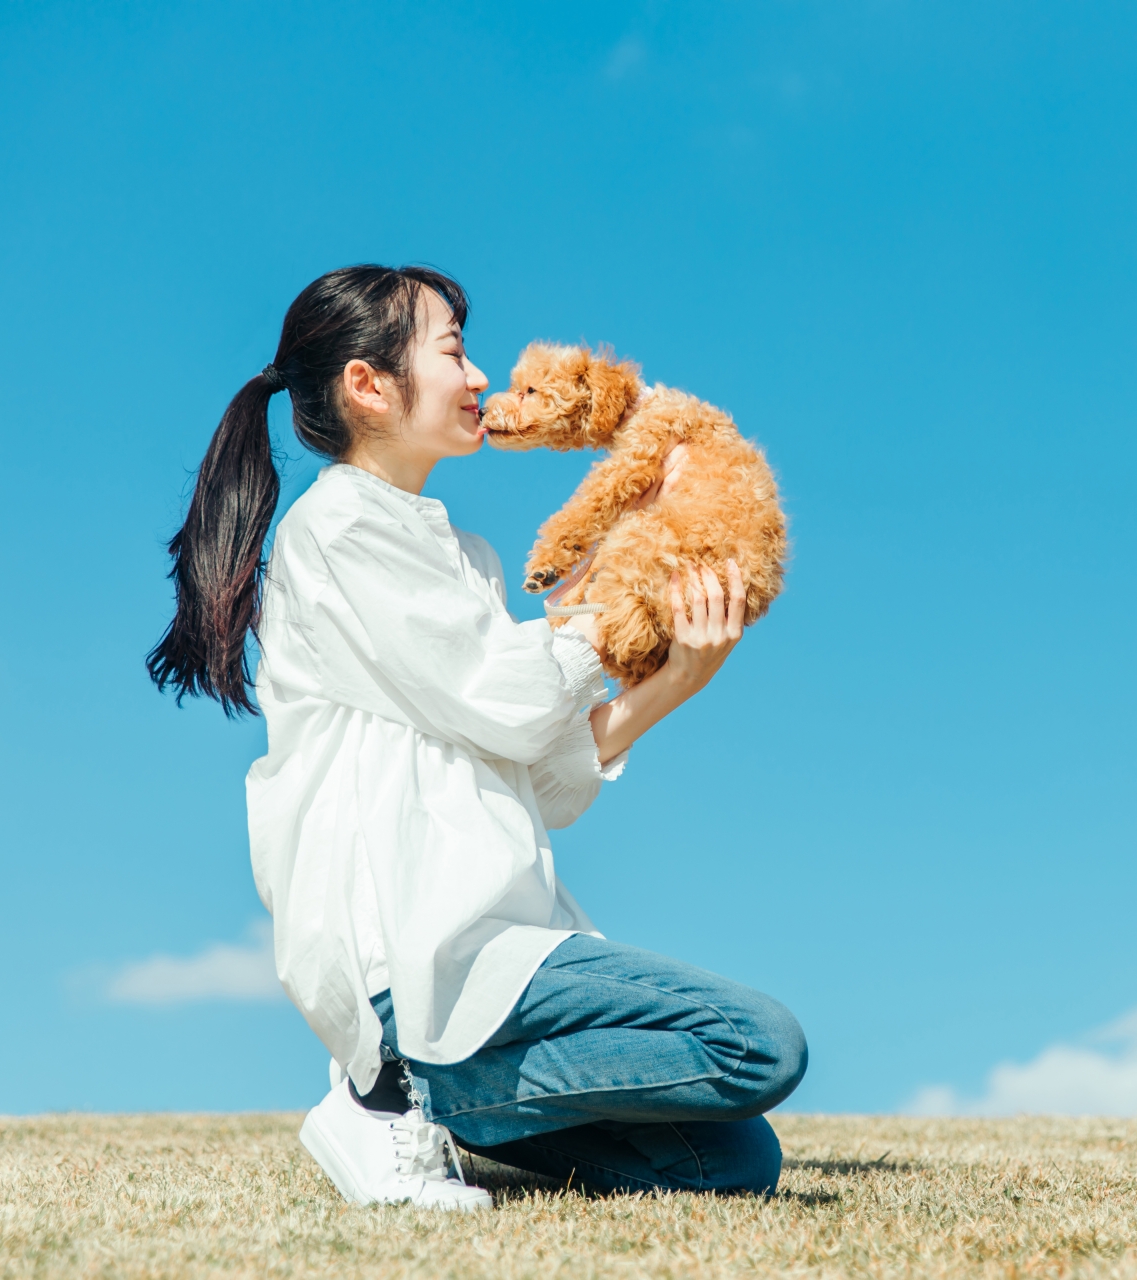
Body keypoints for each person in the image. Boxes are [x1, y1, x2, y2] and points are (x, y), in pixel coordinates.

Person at [148, 265, 806, 1209]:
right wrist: (629, 579)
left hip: (503, 937)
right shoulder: (336, 530)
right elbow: (505, 693)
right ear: (368, 386)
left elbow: (543, 779)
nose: (480, 380)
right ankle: (396, 1088)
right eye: (453, 353)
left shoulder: (465, 558)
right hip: (421, 951)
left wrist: (679, 678)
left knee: (732, 1162)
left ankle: (429, 1103)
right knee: (757, 1043)